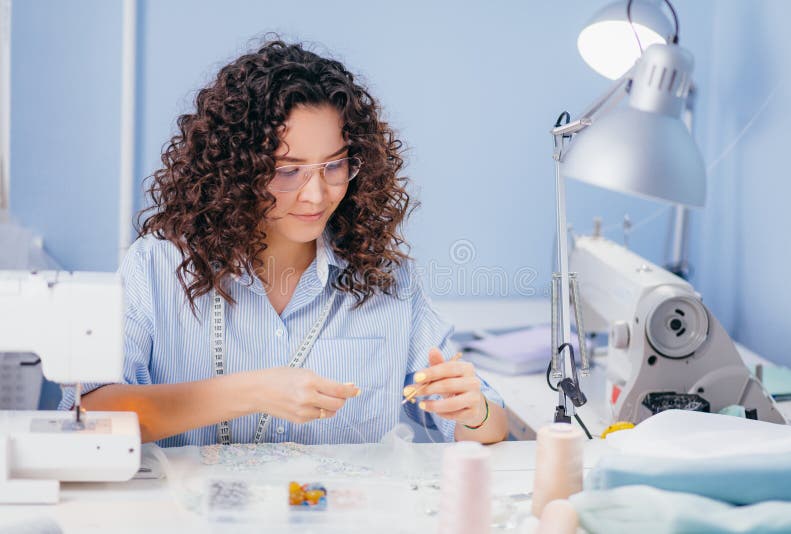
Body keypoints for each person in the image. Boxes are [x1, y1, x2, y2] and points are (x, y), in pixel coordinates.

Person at [59, 39, 508, 447]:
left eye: (334, 166)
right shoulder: (155, 266)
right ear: (235, 167)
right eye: (287, 170)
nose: (316, 195)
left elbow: (486, 427)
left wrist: (475, 410)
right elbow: (89, 415)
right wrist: (251, 393)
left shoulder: (387, 281)